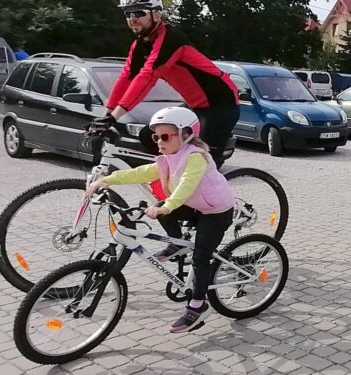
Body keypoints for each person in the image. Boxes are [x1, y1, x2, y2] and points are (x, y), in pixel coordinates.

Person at [86, 107, 236, 333]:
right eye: (156, 137)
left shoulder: (196, 157)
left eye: (165, 136)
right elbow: (141, 172)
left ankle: (198, 305)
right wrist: (107, 180)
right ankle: (177, 243)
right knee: (159, 207)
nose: (159, 142)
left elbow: (186, 186)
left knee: (201, 257)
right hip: (195, 206)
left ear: (186, 134)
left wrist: (168, 206)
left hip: (216, 211)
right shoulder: (169, 158)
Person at [95, 0, 240, 169]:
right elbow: (126, 78)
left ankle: (208, 193)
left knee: (203, 165)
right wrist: (107, 114)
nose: (133, 18)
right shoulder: (140, 45)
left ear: (156, 14)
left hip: (221, 104)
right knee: (149, 137)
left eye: (139, 13)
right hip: (195, 105)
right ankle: (173, 182)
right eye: (128, 14)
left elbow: (147, 77)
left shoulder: (171, 39)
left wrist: (115, 116)